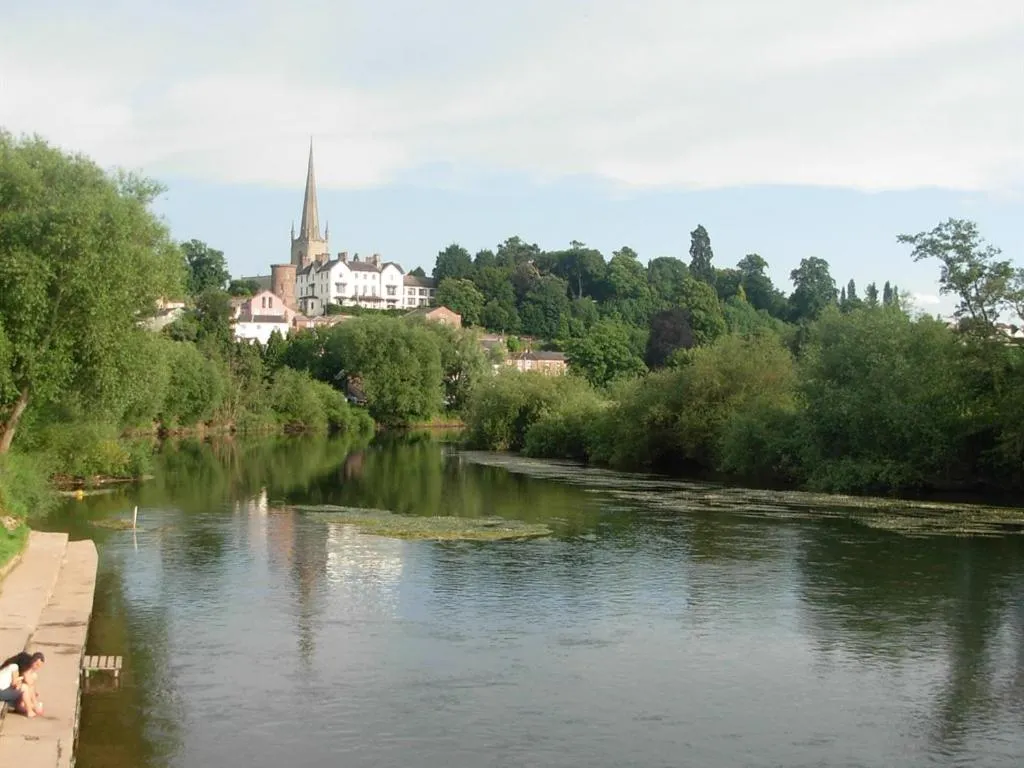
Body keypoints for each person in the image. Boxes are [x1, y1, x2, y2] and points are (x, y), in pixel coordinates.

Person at [0, 651, 45, 717]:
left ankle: (28, 706)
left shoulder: (18, 667)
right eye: (36, 664)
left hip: (5, 690)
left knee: (26, 687)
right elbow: (15, 683)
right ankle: (30, 711)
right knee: (24, 688)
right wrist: (23, 679)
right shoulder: (14, 667)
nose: (37, 668)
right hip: (1, 692)